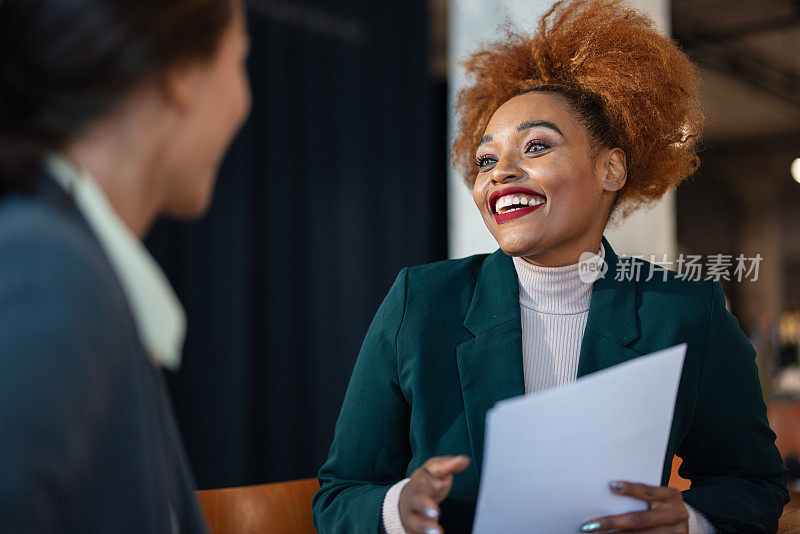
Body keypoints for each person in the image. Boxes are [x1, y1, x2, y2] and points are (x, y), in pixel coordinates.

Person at [312, 1, 789, 533]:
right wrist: (399, 509)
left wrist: (691, 523)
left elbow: (752, 483)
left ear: (611, 168)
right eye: (487, 159)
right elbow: (340, 495)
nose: (500, 174)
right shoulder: (421, 302)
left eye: (536, 146)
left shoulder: (682, 311)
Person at [0, 0, 250, 531]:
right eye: (239, 62)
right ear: (181, 74)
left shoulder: (74, 264)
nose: (244, 101)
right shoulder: (50, 269)